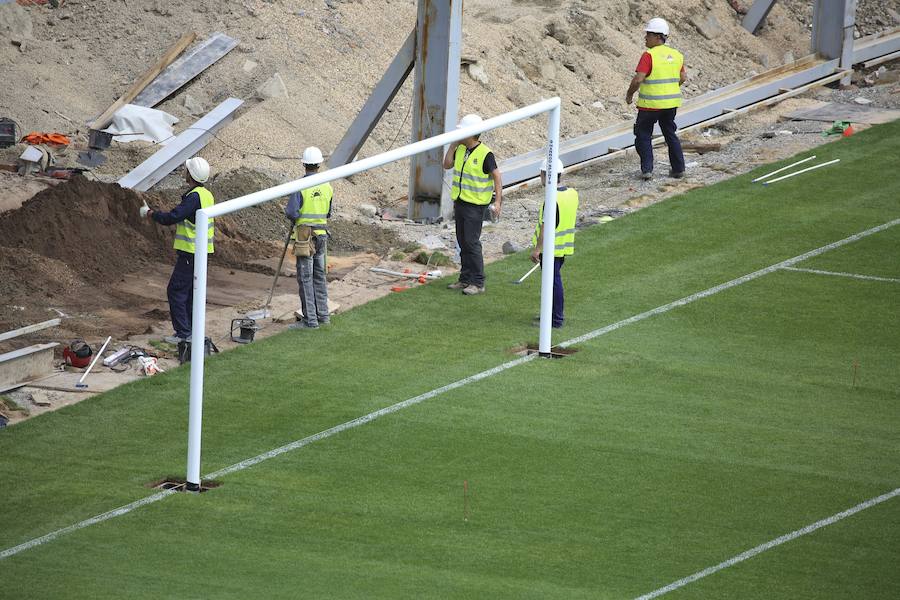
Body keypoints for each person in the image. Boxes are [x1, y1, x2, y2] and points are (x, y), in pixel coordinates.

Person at [142, 157, 214, 346]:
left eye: (186, 170)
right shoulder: (206, 195)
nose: (184, 172)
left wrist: (151, 214)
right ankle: (190, 331)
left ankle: (183, 332)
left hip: (191, 253)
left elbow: (172, 217)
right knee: (190, 292)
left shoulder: (193, 197)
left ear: (190, 174)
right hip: (201, 252)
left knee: (176, 291)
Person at [442, 113, 503, 295]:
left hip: (475, 205)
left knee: (471, 242)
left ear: (472, 133)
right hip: (460, 201)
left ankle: (478, 282)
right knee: (462, 241)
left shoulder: (485, 154)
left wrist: (498, 201)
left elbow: (497, 176)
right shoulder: (460, 149)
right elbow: (446, 165)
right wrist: (453, 144)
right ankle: (465, 278)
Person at [625, 17, 687, 181]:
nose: (645, 37)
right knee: (670, 134)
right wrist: (670, 89)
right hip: (670, 105)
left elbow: (638, 79)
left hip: (649, 106)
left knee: (643, 135)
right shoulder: (676, 55)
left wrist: (629, 94)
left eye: (648, 34)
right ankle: (678, 169)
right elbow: (683, 77)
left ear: (658, 36)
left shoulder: (649, 56)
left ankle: (647, 170)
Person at [285, 146, 333, 329]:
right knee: (319, 277)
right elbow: (328, 212)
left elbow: (291, 211)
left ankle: (310, 320)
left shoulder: (301, 186)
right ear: (319, 164)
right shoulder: (327, 185)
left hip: (305, 237)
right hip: (322, 236)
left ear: (304, 164)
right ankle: (323, 316)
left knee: (305, 277)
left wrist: (296, 216)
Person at [530, 158, 578, 329]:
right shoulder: (572, 193)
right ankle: (550, 314)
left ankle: (556, 319)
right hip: (564, 246)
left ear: (545, 175)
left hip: (551, 248)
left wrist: (537, 249)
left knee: (553, 282)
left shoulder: (551, 199)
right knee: (553, 282)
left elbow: (545, 226)